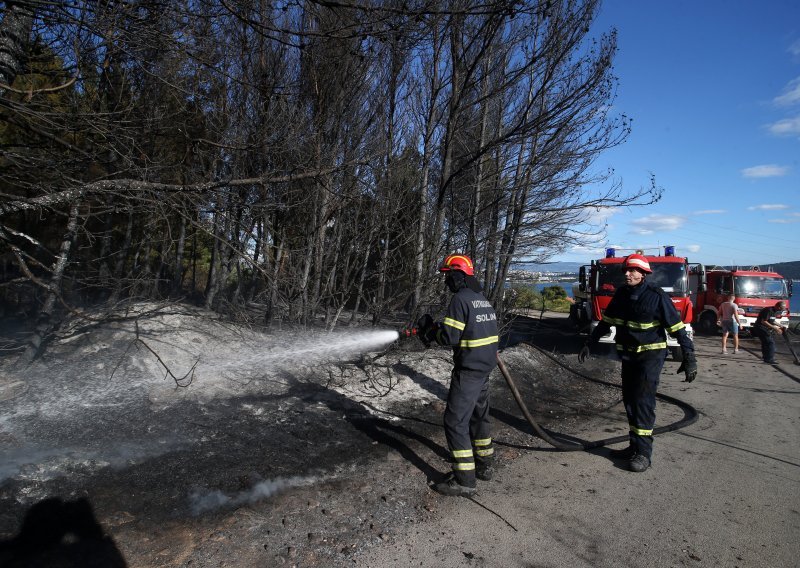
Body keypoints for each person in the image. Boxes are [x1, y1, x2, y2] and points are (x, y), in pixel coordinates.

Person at [578, 253, 697, 473]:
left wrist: (689, 356)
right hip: (629, 357)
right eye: (625, 270)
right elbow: (607, 322)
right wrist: (590, 342)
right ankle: (634, 446)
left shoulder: (656, 296)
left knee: (642, 402)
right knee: (630, 401)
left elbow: (677, 328)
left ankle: (644, 453)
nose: (627, 274)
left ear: (644, 274)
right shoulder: (622, 294)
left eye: (633, 270)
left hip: (650, 358)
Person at [417, 253, 499, 497]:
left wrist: (431, 332)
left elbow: (449, 337)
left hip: (470, 371)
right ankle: (484, 465)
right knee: (478, 416)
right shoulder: (481, 299)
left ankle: (464, 480)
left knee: (455, 421)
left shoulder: (460, 300)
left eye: (448, 276)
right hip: (484, 368)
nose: (446, 282)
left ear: (458, 274)